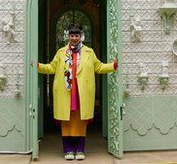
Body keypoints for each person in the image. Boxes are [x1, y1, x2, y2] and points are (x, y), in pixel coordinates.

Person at [37, 25, 117, 160]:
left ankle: (80, 150)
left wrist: (113, 66)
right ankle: (68, 150)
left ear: (81, 37)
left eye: (77, 36)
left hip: (82, 93)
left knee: (80, 121)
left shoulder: (89, 52)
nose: (74, 38)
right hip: (65, 92)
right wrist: (37, 66)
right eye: (72, 36)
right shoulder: (61, 52)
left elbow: (99, 67)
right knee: (66, 121)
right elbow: (51, 67)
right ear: (68, 37)